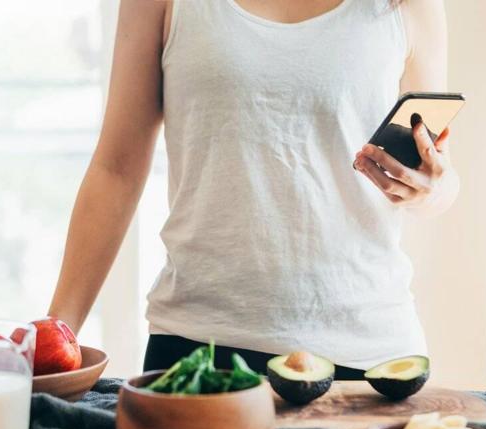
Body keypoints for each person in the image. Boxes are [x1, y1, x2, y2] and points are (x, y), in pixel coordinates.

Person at [49, 0, 458, 379]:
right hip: (200, 344)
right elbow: (116, 169)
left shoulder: (408, 5)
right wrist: (54, 339)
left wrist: (429, 189)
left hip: (369, 354)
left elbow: (437, 172)